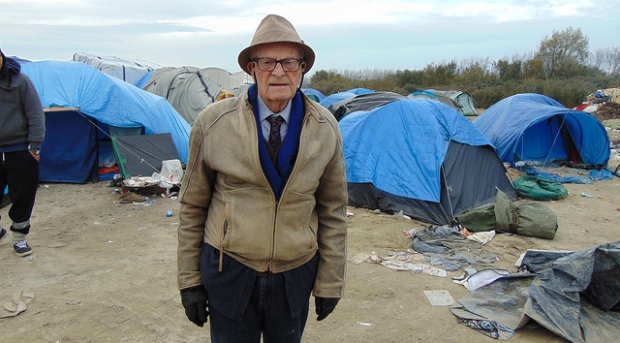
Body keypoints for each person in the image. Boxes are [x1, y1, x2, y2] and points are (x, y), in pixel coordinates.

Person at [177, 14, 348, 342]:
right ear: (251, 69)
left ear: (302, 68)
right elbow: (191, 207)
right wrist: (190, 281)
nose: (279, 72)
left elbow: (334, 211)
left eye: (289, 62)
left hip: (294, 275)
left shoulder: (326, 128)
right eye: (267, 62)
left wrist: (330, 281)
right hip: (230, 270)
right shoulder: (213, 124)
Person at [0, 47, 45, 257]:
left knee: (22, 196)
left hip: (19, 149)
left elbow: (35, 114)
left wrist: (35, 147)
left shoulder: (21, 81)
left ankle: (19, 238)